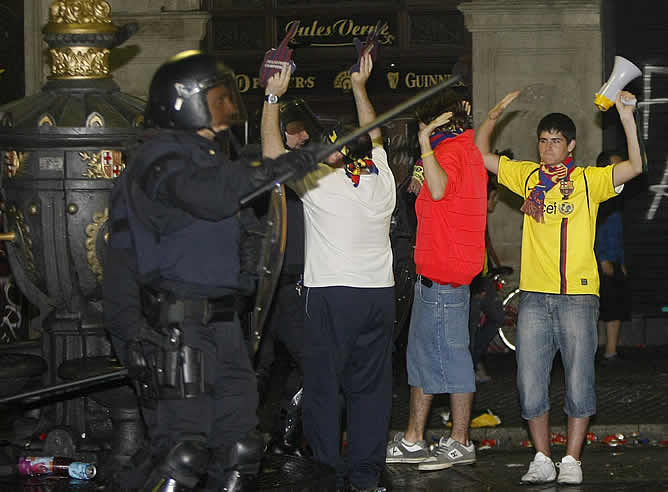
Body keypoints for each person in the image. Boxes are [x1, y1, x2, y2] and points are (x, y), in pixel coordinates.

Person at [103, 50, 318, 492]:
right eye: (218, 99)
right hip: (176, 329)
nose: (226, 109)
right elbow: (209, 197)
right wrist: (279, 166)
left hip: (224, 328)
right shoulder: (158, 160)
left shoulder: (212, 159)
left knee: (240, 451)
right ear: (186, 102)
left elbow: (243, 238)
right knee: (182, 456)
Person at [475, 89, 642, 485]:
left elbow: (636, 165)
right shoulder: (527, 176)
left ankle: (571, 459)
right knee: (529, 383)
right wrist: (493, 117)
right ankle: (541, 457)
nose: (548, 148)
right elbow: (482, 155)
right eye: (543, 141)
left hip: (579, 298)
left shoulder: (589, 180)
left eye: (555, 142)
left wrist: (627, 116)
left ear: (570, 145)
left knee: (579, 379)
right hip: (534, 297)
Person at [261, 54, 395, 491]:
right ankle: (364, 476)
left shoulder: (321, 182)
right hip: (379, 296)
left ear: (332, 153)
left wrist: (271, 98)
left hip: (334, 296)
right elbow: (376, 136)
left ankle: (326, 472)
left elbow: (272, 154)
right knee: (370, 391)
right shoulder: (381, 179)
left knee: (324, 388)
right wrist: (360, 87)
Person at [386, 91, 487, 472]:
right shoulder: (460, 148)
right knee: (423, 360)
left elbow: (441, 188)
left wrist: (426, 145)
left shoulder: (451, 149)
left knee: (453, 359)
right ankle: (414, 439)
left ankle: (460, 441)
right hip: (436, 274)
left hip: (444, 275)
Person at [255, 97, 323, 455]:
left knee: (308, 361)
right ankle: (249, 437)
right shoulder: (262, 170)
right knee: (258, 364)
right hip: (265, 284)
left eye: (302, 130)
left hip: (297, 282)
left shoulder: (308, 172)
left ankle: (287, 434)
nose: (302, 136)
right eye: (294, 130)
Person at [468, 172, 506, 383]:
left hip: (482, 277)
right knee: (473, 324)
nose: (496, 202)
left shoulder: (481, 217)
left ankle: (474, 361)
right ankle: (471, 365)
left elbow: (486, 242)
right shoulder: (474, 215)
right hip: (475, 280)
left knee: (494, 318)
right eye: (494, 198)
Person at [595, 150, 631, 364]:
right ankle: (607, 351)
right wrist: (603, 259)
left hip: (614, 259)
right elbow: (595, 232)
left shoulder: (617, 196)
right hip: (604, 262)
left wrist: (621, 261)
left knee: (617, 306)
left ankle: (611, 350)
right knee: (608, 307)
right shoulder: (599, 196)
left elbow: (617, 232)